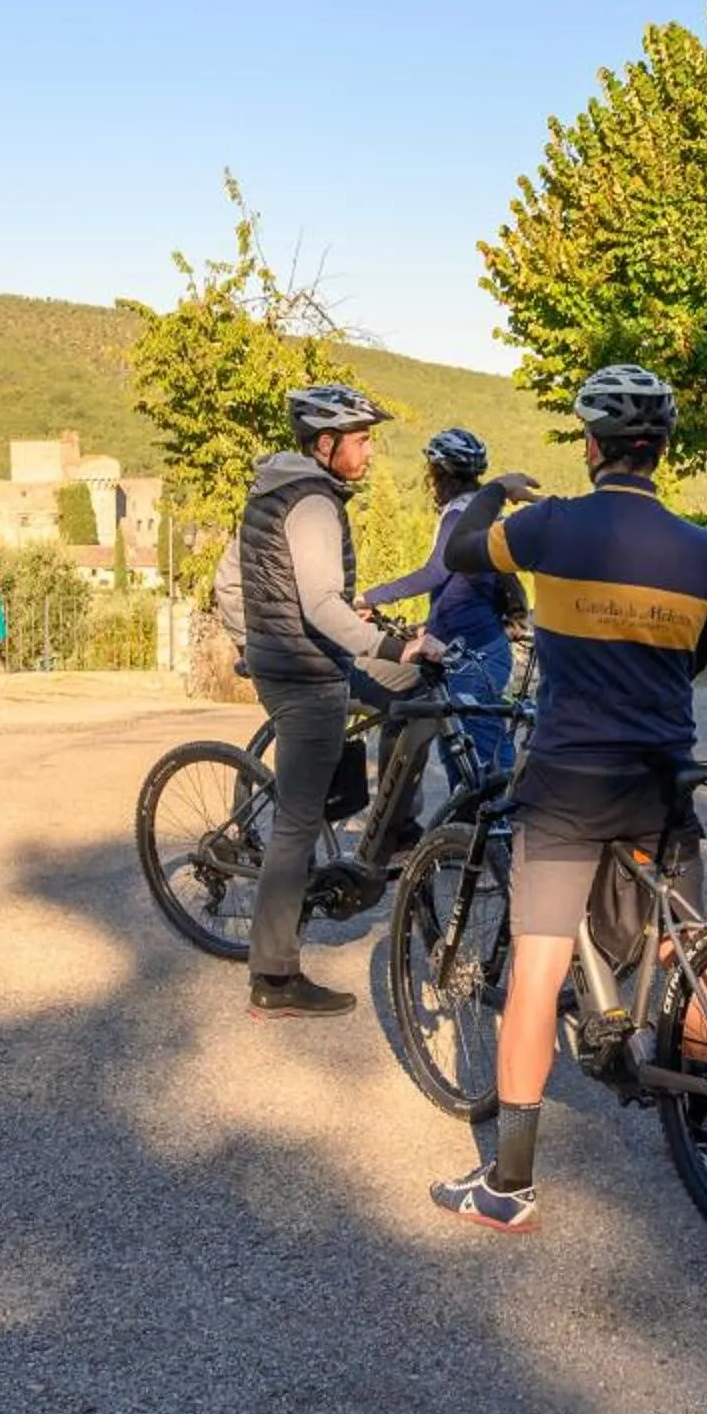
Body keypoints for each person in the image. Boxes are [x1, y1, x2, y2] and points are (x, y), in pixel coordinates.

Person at [424, 365, 707, 1233]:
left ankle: (508, 1187)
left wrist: (491, 492)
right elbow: (693, 659)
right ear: (661, 450)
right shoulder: (706, 550)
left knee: (539, 966)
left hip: (567, 779)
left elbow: (456, 554)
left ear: (592, 448)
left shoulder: (547, 526)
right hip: (661, 775)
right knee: (684, 957)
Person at [234, 383, 436, 1018]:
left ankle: (395, 828)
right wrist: (390, 645)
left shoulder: (282, 489)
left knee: (417, 696)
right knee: (295, 825)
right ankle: (273, 976)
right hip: (305, 672)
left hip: (301, 659)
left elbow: (304, 593)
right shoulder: (314, 503)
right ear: (326, 445)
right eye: (362, 439)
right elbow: (319, 607)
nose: (370, 451)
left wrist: (387, 645)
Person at [359, 427, 528, 791]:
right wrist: (429, 624)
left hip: (471, 654)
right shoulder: (484, 517)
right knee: (470, 756)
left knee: (476, 764)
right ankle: (466, 840)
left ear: (437, 474)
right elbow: (468, 589)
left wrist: (371, 596)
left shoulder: (458, 517)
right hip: (477, 646)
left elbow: (436, 572)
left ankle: (488, 841)